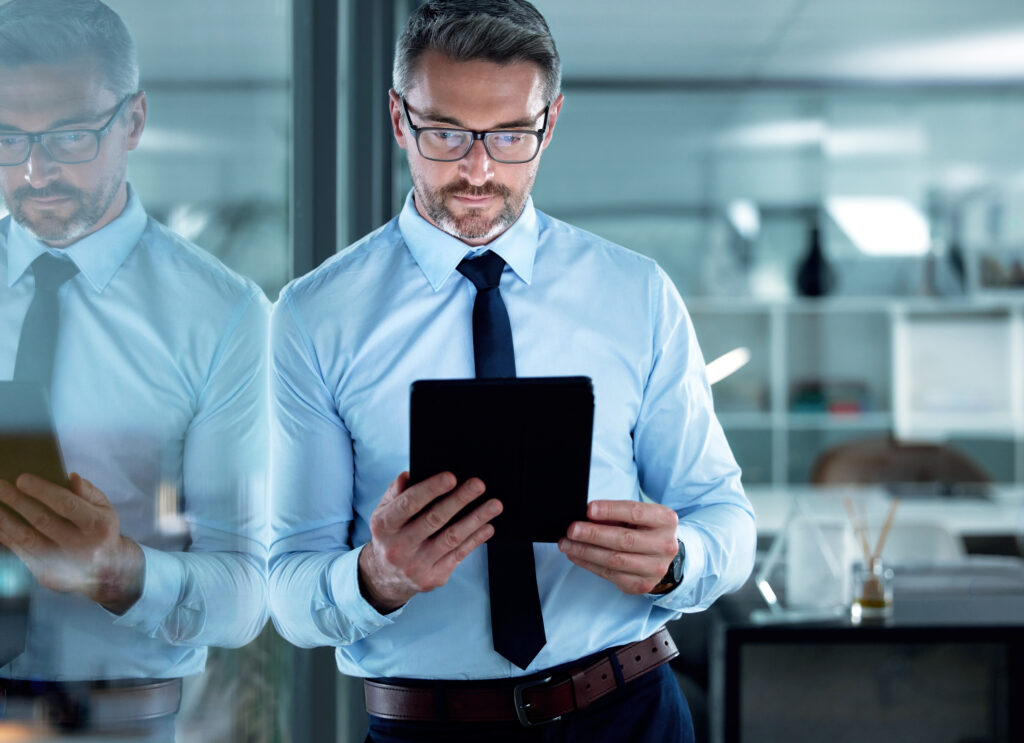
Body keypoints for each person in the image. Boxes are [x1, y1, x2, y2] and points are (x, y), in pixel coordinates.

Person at [269, 1, 755, 740]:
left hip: (628, 712)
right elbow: (289, 584)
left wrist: (677, 561)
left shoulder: (638, 294)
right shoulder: (315, 315)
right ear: (399, 119)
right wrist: (377, 576)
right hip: (426, 726)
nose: (477, 168)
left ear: (550, 123)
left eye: (509, 135)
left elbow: (726, 516)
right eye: (445, 132)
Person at [0, 0, 269, 738]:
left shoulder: (223, 314)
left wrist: (116, 568)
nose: (34, 169)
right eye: (7, 137)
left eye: (71, 134)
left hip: (118, 721)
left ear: (134, 121)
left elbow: (246, 593)